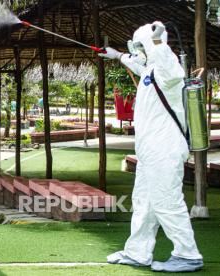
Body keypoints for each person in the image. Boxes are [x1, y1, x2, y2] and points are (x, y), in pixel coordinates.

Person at [99, 21, 204, 273]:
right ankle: (138, 252)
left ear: (150, 45)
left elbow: (166, 62)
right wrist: (117, 55)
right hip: (150, 152)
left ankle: (187, 254)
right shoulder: (150, 71)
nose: (137, 52)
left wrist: (156, 41)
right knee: (144, 203)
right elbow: (138, 63)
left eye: (139, 46)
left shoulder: (168, 71)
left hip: (164, 150)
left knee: (167, 202)